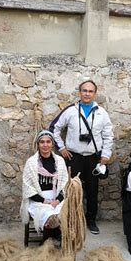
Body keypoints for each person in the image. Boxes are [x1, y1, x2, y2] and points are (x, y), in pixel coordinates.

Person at [50, 80, 113, 234]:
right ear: (80, 93)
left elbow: (108, 135)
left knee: (92, 190)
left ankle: (91, 220)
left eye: (90, 91)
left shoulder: (101, 113)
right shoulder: (70, 111)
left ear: (94, 94)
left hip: (93, 158)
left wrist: (105, 155)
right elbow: (54, 128)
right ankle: (71, 218)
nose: (87, 93)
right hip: (74, 157)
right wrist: (62, 148)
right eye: (84, 90)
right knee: (70, 189)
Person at [20, 130, 69, 242]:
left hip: (57, 198)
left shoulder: (60, 161)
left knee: (67, 212)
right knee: (50, 216)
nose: (45, 145)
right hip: (38, 200)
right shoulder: (31, 162)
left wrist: (57, 200)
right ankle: (48, 243)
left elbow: (65, 185)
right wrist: (44, 201)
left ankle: (58, 238)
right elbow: (27, 189)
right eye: (42, 142)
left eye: (48, 142)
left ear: (52, 144)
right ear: (38, 144)